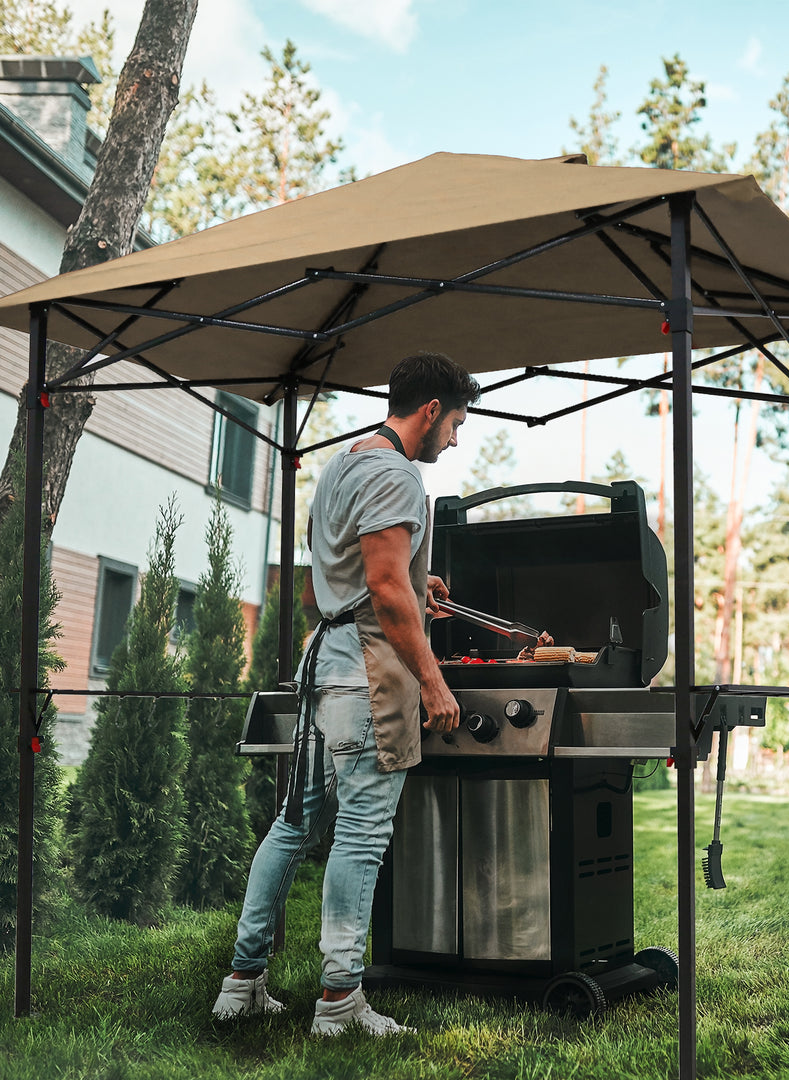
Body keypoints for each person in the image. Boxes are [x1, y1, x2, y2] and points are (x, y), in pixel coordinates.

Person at [212, 351, 480, 1034]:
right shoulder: (397, 474)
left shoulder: (343, 464)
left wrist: (418, 585)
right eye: (455, 423)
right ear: (429, 411)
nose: (456, 437)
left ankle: (241, 982)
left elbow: (341, 577)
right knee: (360, 837)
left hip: (319, 669)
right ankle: (339, 1002)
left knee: (293, 826)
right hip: (364, 675)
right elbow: (385, 588)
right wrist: (431, 678)